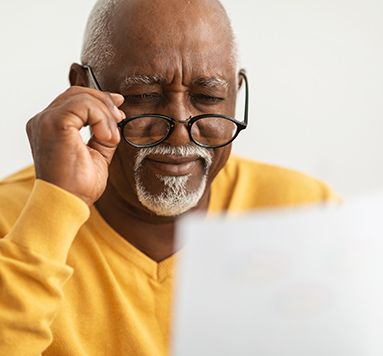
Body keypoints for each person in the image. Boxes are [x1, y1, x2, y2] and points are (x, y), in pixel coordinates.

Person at [0, 0, 337, 354]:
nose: (180, 133)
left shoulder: (304, 214)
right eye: (144, 96)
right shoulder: (14, 223)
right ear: (82, 87)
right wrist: (56, 207)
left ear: (235, 94)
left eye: (208, 97)